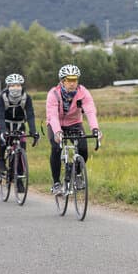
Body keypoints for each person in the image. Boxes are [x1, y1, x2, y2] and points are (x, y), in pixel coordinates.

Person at [45, 64, 101, 196]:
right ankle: (56, 183)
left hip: (75, 123)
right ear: (62, 81)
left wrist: (95, 129)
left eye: (74, 80)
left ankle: (77, 174)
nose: (72, 83)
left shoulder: (83, 93)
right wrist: (57, 132)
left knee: (83, 149)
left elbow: (90, 111)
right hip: (55, 124)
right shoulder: (53, 94)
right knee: (56, 148)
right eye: (68, 80)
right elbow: (52, 115)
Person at [0, 73, 39, 184]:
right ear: (8, 86)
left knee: (21, 150)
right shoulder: (2, 98)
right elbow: (0, 116)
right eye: (13, 85)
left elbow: (30, 115)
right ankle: (1, 160)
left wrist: (33, 131)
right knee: (4, 139)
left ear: (22, 86)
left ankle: (19, 180)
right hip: (4, 123)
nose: (16, 88)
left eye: (18, 85)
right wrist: (4, 131)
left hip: (19, 125)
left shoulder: (26, 98)